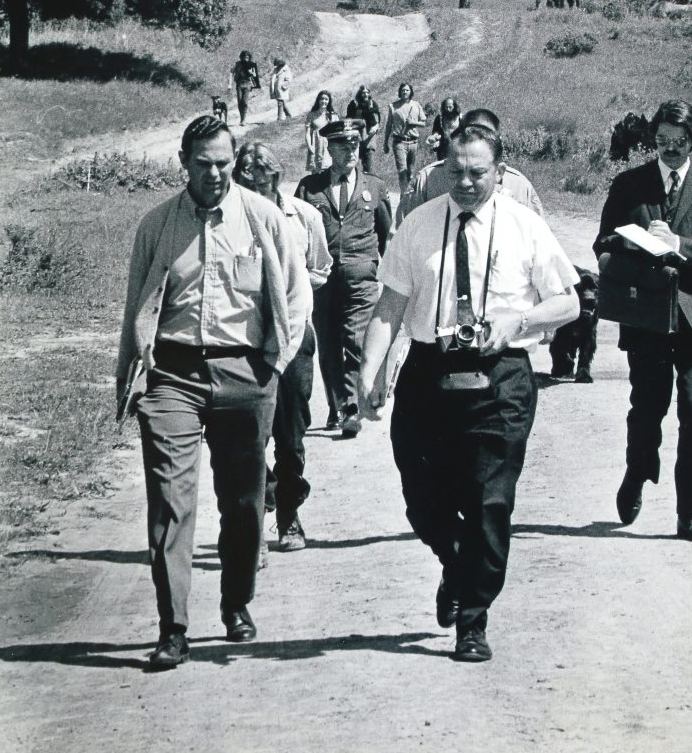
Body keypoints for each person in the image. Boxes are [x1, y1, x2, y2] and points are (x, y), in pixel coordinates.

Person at [359, 124, 579, 664]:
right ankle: (458, 567)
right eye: (455, 170)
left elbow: (569, 303)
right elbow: (389, 307)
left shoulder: (525, 227)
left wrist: (520, 318)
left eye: (477, 172)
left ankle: (473, 618)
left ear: (500, 174)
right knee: (422, 497)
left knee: (488, 502)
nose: (465, 182)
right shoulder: (418, 225)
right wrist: (369, 373)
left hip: (500, 373)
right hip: (430, 372)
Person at [116, 115, 310, 670]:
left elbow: (295, 297)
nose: (215, 174)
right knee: (171, 502)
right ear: (184, 163)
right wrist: (136, 368)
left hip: (245, 376)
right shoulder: (158, 226)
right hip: (174, 376)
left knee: (244, 503)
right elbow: (138, 304)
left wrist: (274, 364)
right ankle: (173, 626)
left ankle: (235, 601)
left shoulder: (264, 220)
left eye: (224, 162)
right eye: (203, 164)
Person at [594, 99, 692, 542]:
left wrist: (679, 244)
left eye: (679, 142)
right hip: (646, 316)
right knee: (648, 409)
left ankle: (687, 514)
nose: (670, 150)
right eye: (662, 142)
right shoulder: (628, 184)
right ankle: (637, 473)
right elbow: (603, 242)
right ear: (652, 140)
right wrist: (632, 246)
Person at [233, 142, 332, 555]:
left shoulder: (303, 216)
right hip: (244, 344)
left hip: (294, 339)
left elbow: (322, 268)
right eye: (247, 180)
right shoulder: (230, 223)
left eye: (265, 180)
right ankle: (256, 517)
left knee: (290, 437)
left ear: (276, 178)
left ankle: (289, 513)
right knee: (245, 438)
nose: (257, 187)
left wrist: (288, 287)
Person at [296, 118, 392, 437]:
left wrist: (376, 265)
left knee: (355, 339)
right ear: (329, 148)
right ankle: (336, 406)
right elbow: (298, 233)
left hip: (361, 276)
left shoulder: (374, 186)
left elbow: (383, 230)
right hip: (322, 280)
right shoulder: (309, 188)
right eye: (342, 145)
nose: (350, 151)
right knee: (328, 342)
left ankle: (351, 406)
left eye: (354, 145)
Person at [401, 107, 544, 219]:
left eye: (478, 173)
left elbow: (538, 240)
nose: (465, 182)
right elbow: (402, 233)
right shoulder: (427, 181)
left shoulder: (519, 185)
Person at [383, 80, 427, 193]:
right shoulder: (393, 106)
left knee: (411, 173)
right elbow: (389, 125)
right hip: (399, 142)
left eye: (407, 90)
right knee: (402, 171)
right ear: (399, 92)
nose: (404, 92)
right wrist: (385, 143)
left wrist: (413, 123)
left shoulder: (416, 105)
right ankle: (403, 197)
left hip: (413, 142)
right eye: (402, 90)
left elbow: (423, 122)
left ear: (410, 92)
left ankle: (409, 198)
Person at [346, 84, 381, 172]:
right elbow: (348, 119)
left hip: (369, 137)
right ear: (360, 93)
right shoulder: (354, 104)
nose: (365, 94)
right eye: (363, 92)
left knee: (368, 165)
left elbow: (377, 118)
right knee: (353, 165)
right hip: (356, 137)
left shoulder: (372, 103)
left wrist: (376, 127)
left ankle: (368, 182)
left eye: (367, 92)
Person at [304, 90, 334, 173]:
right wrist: (310, 147)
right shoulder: (311, 115)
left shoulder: (332, 115)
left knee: (328, 171)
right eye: (322, 99)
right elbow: (307, 133)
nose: (324, 101)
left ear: (329, 101)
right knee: (315, 173)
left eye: (326, 99)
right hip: (316, 145)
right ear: (318, 100)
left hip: (328, 146)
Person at [425, 96, 461, 161]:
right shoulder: (439, 118)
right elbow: (435, 131)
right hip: (443, 149)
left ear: (454, 107)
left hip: (458, 148)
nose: (448, 109)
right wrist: (435, 138)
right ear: (443, 107)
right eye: (446, 107)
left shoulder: (460, 118)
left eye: (450, 107)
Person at [231, 50, 260, 127]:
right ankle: (241, 119)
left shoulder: (252, 64)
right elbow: (232, 72)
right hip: (239, 84)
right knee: (240, 102)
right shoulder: (237, 64)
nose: (246, 58)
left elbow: (255, 75)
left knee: (245, 102)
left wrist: (252, 73)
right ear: (241, 57)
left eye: (247, 57)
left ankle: (243, 120)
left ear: (249, 57)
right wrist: (230, 83)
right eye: (244, 57)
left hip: (247, 84)